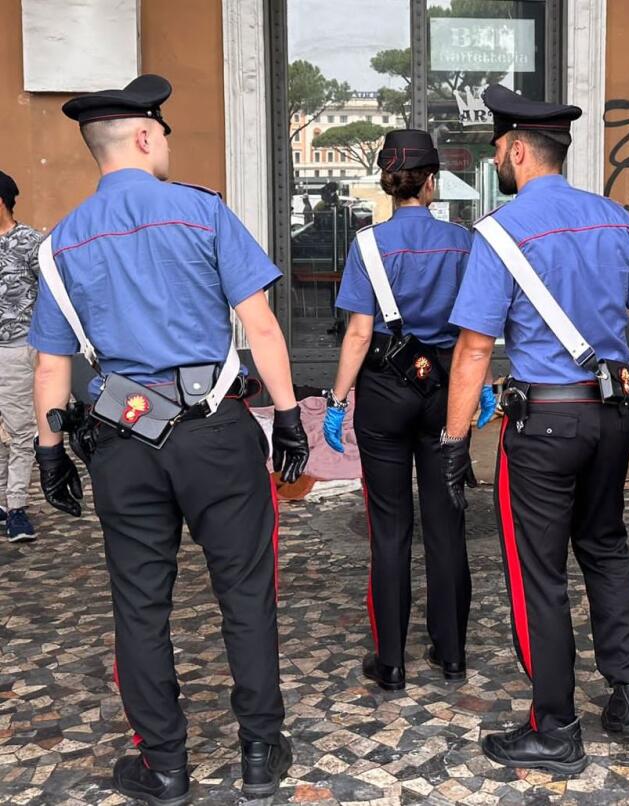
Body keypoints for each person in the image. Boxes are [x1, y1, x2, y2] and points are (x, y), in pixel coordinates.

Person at [28, 75, 307, 804]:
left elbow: (52, 365)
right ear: (147, 135)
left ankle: (165, 766)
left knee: (139, 604)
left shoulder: (59, 246)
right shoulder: (201, 212)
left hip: (124, 444)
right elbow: (263, 326)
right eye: (166, 135)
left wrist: (50, 452)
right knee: (246, 592)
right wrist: (287, 417)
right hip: (215, 435)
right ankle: (256, 752)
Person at [442, 84, 629, 774]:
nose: (499, 161)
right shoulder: (616, 219)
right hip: (611, 410)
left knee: (537, 572)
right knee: (605, 545)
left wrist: (454, 443)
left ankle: (556, 727)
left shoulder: (502, 231)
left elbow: (475, 351)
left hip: (543, 422)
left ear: (513, 150)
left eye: (498, 151)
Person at [322, 129, 472, 691]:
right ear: (431, 182)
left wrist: (337, 400)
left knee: (388, 529)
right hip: (443, 387)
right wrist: (474, 387)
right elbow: (472, 329)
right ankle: (451, 652)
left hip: (384, 391)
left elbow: (359, 333)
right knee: (446, 520)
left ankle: (390, 661)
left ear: (389, 183)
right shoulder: (462, 243)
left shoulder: (366, 245)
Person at [0, 169, 40, 542]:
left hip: (14, 350)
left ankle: (16, 509)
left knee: (19, 430)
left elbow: (53, 294)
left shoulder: (29, 242)